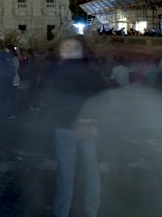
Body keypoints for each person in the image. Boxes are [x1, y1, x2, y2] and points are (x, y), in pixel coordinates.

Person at [44, 36, 107, 217]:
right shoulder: (94, 75)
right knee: (92, 170)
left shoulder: (56, 73)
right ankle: (92, 210)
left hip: (64, 126)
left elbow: (50, 100)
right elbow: (102, 102)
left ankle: (61, 211)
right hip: (89, 125)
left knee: (65, 173)